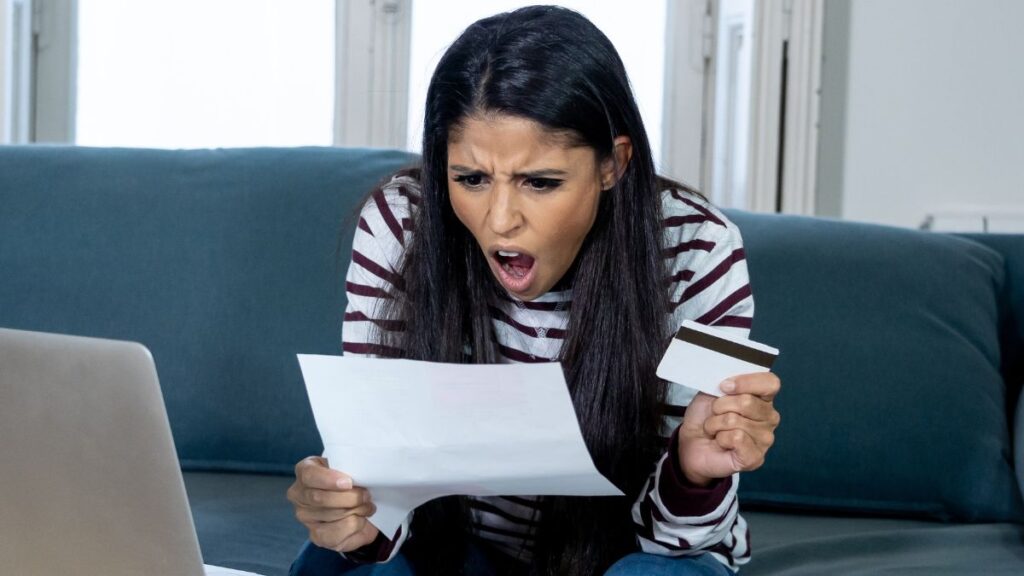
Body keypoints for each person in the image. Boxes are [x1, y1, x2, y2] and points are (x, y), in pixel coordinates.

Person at [287, 6, 780, 575]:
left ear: (612, 164)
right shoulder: (402, 223)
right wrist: (349, 512)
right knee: (334, 564)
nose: (499, 221)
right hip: (459, 546)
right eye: (470, 179)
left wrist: (696, 470)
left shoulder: (698, 247)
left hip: (627, 552)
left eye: (540, 182)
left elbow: (677, 543)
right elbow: (382, 503)